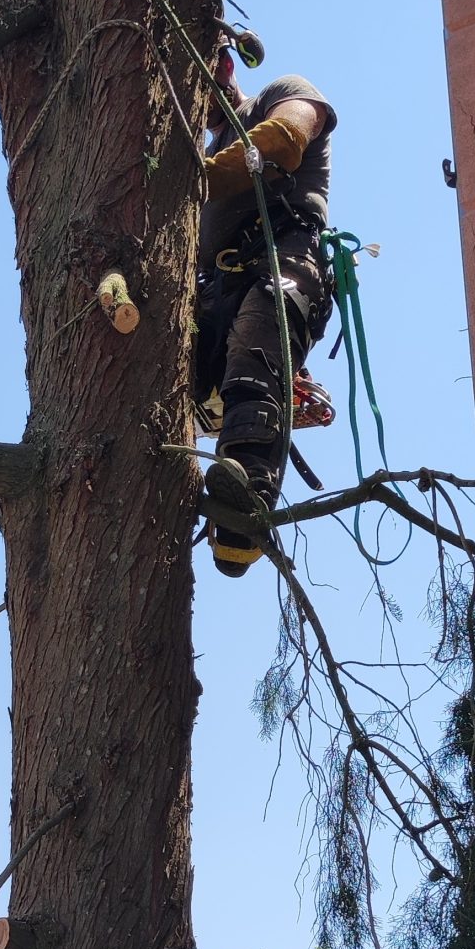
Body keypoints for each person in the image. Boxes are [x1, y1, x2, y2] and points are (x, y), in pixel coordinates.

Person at [193, 46, 337, 577]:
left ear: (225, 69)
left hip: (285, 259)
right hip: (217, 292)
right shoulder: (196, 157)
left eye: (196, 82)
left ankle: (247, 506)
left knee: (257, 344)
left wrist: (194, 182)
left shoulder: (281, 94)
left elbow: (287, 139)